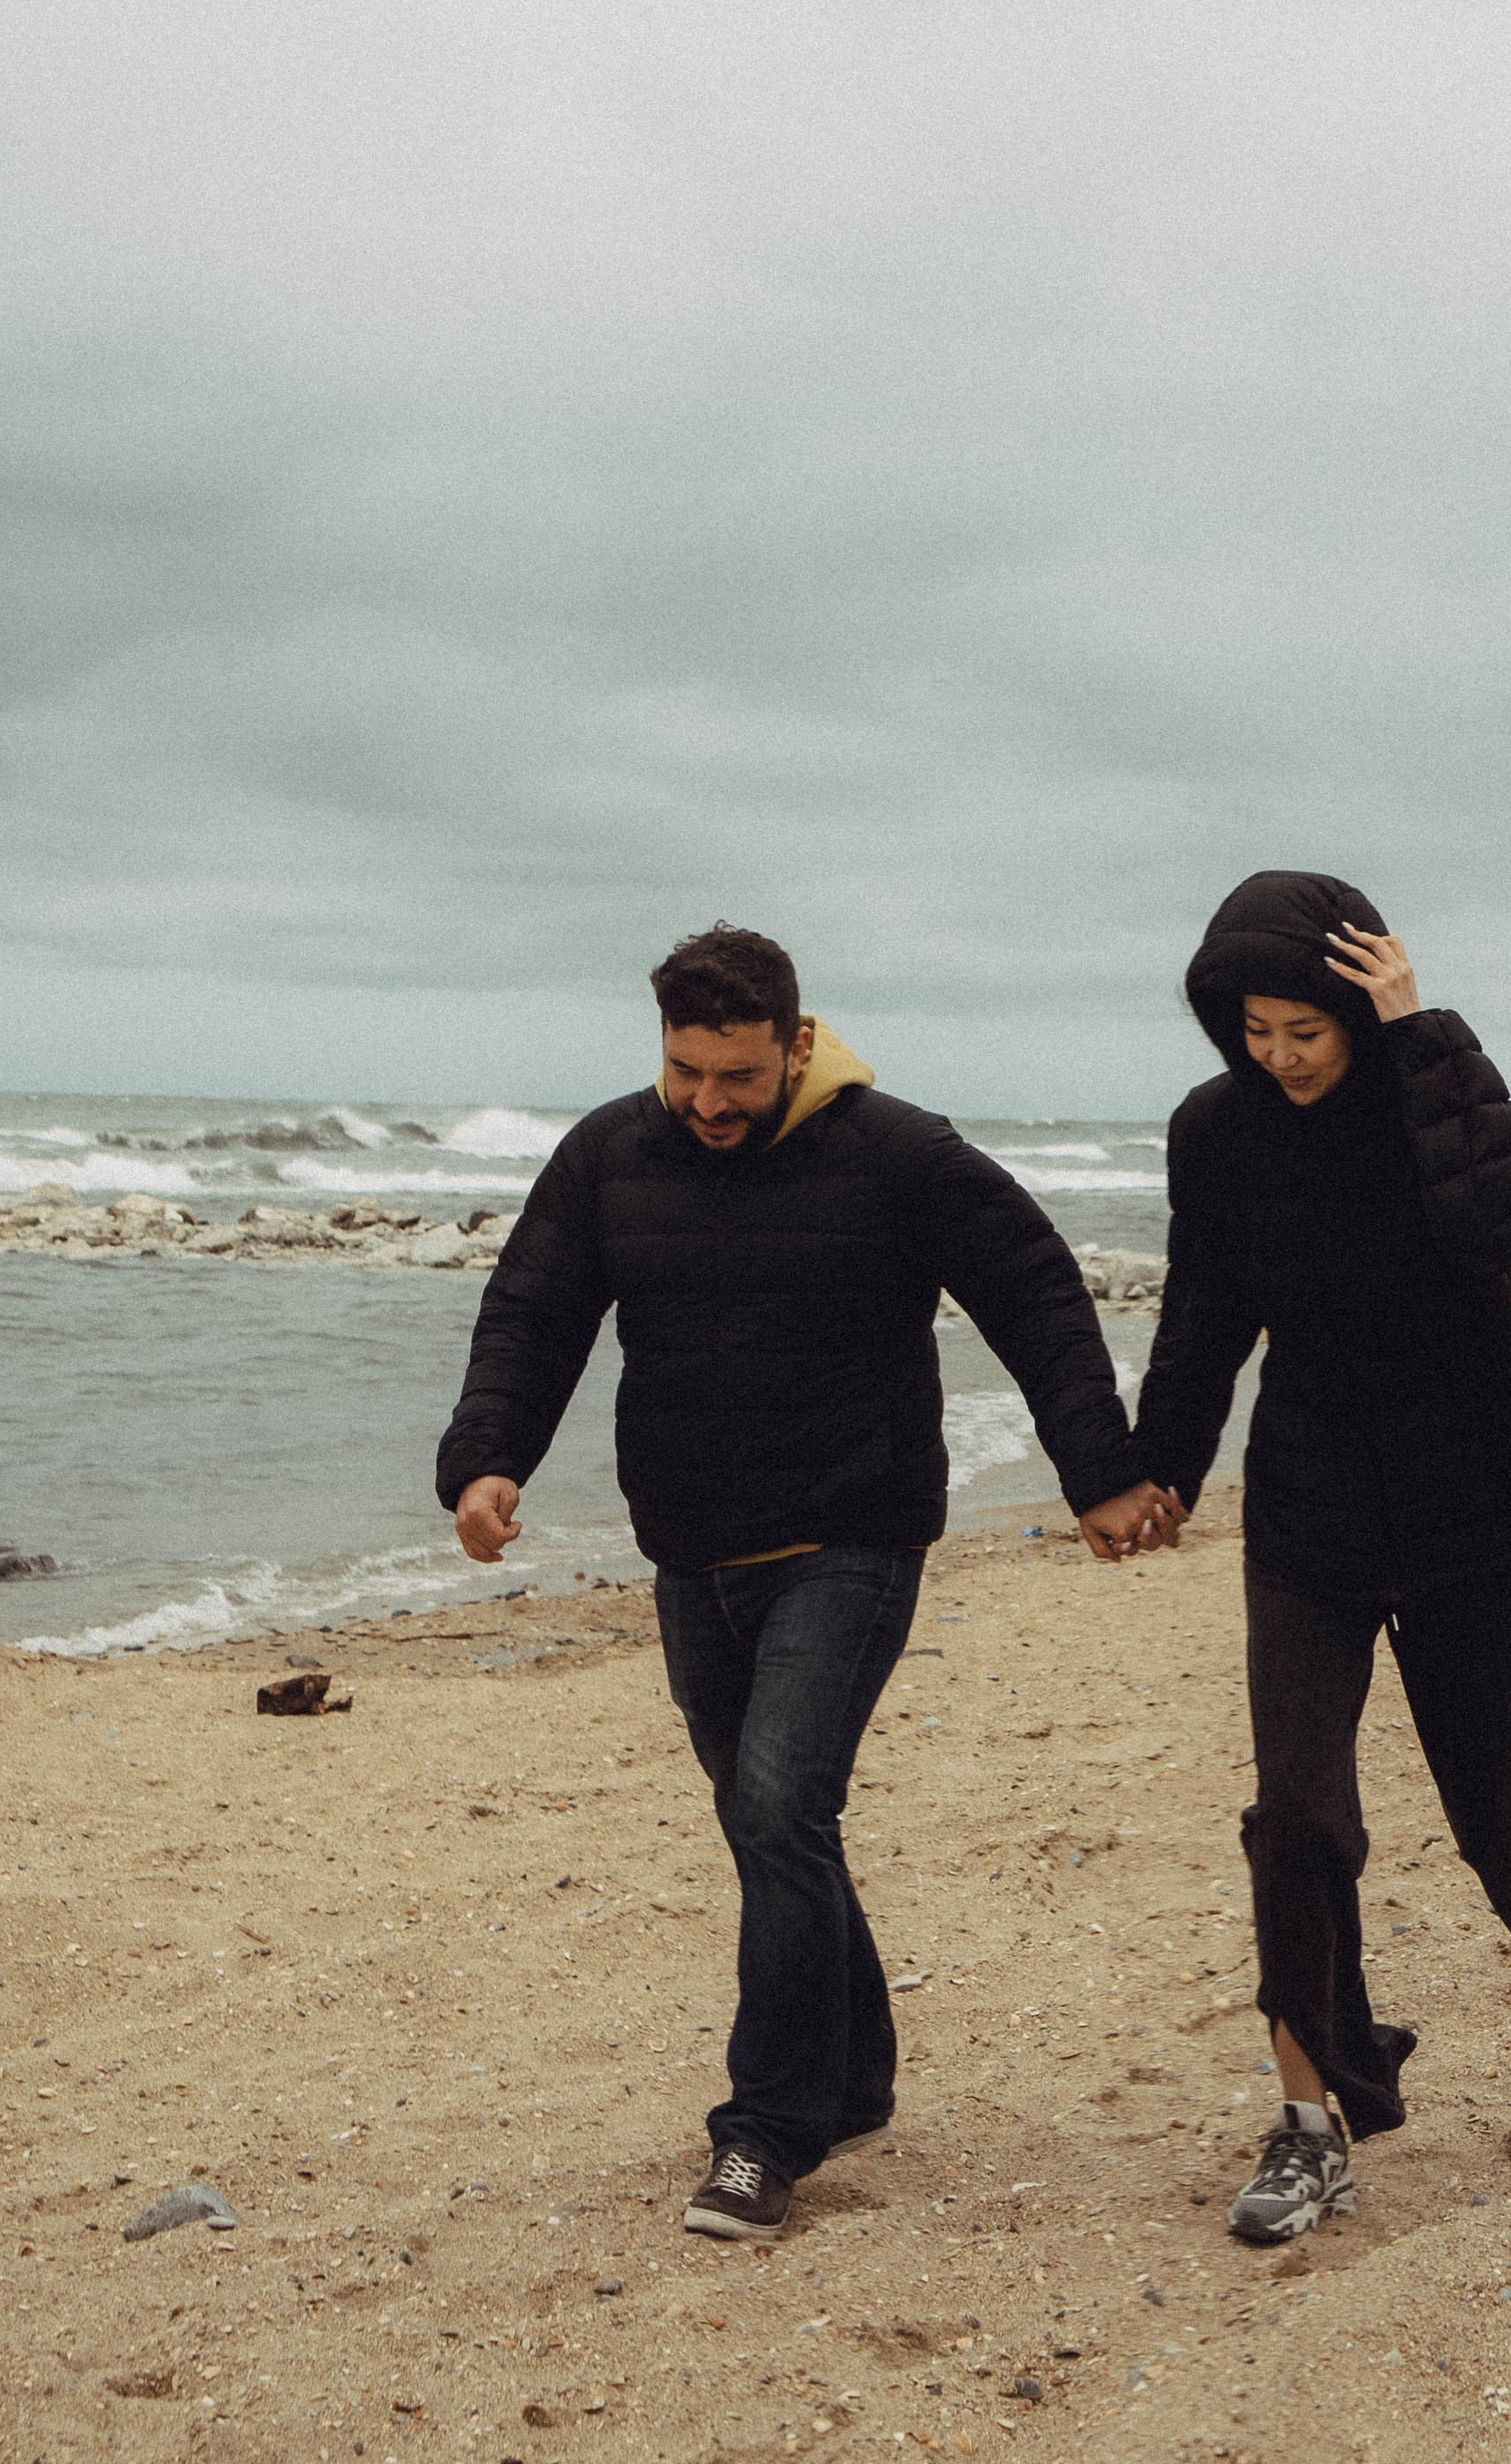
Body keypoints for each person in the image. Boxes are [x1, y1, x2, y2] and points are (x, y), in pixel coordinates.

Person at [435, 922, 1183, 2243]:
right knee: (773, 1826)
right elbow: (535, 1309)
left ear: (795, 1042)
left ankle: (766, 2132)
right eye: (685, 1074)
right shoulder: (613, 1152)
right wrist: (490, 1459)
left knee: (779, 1808)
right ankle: (856, 2076)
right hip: (692, 1554)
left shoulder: (897, 1154)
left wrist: (1100, 1472)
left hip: (853, 1542)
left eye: (735, 1075)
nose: (708, 1104)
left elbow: (1035, 1290)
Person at [1121, 870, 1511, 2246]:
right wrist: (1156, 1464)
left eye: (1307, 1028)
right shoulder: (1217, 1131)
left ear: (1360, 1007)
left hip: (1475, 1494)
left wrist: (1424, 1037)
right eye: (1254, 1030)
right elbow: (1203, 1312)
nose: (1278, 1056)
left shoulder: (1428, 1087)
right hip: (1314, 1504)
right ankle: (1310, 2121)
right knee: (1297, 1818)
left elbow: (1505, 1226)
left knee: (1496, 1814)